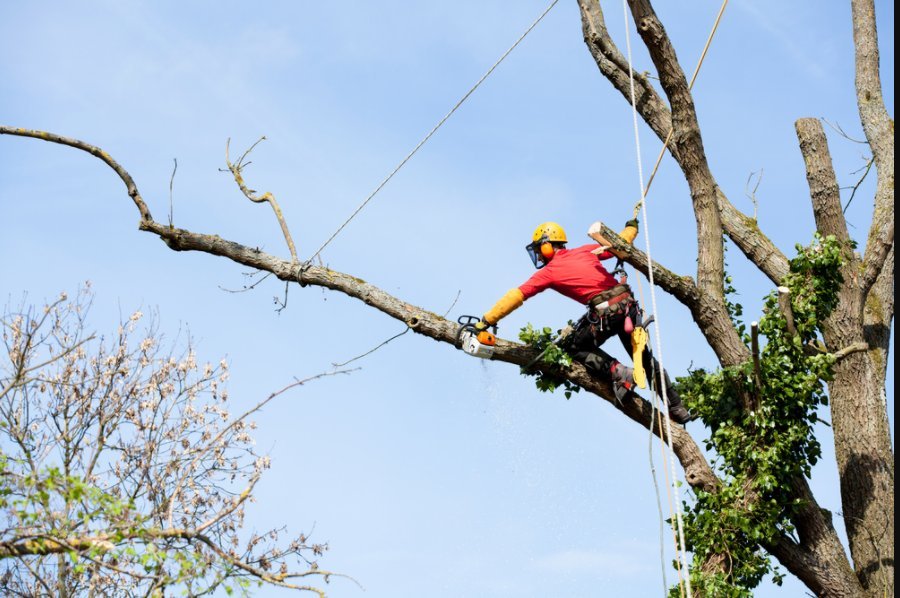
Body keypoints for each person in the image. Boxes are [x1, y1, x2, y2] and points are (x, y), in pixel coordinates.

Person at [476, 221, 693, 424]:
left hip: (606, 313)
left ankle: (620, 372)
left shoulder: (549, 272)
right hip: (627, 307)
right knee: (645, 360)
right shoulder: (585, 251)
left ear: (547, 246)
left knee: (573, 347)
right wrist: (631, 227)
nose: (539, 256)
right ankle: (677, 407)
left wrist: (486, 320)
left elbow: (517, 295)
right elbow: (620, 242)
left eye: (539, 249)